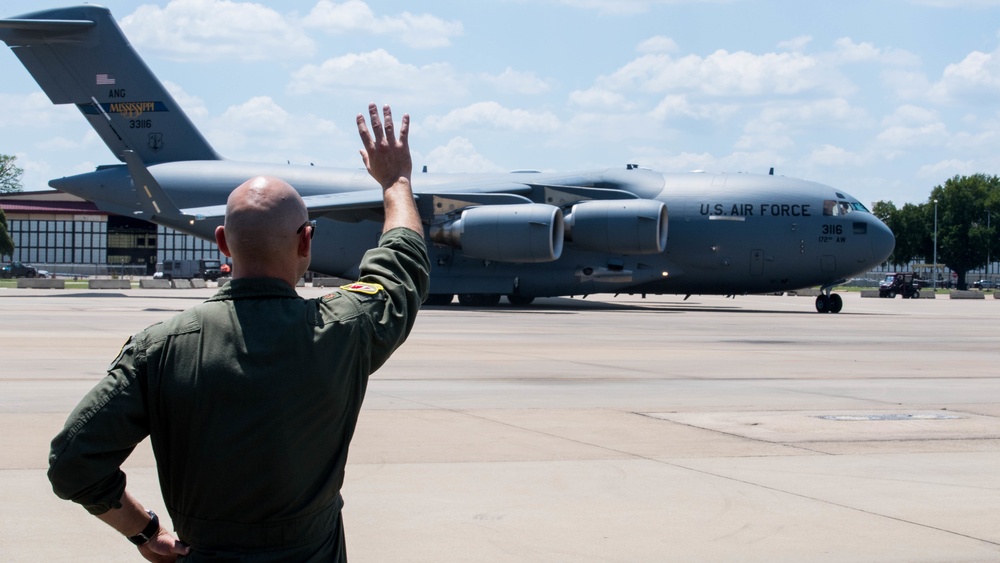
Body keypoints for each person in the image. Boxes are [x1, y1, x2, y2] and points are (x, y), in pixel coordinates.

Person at [47, 104, 430, 562]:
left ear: (223, 242)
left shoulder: (161, 349)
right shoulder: (346, 329)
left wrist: (144, 531)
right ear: (306, 241)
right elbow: (401, 267)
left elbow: (73, 464)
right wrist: (396, 183)